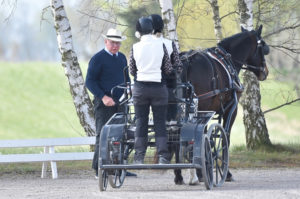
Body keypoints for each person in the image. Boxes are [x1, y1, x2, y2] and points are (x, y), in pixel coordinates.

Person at [85, 28, 136, 178]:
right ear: (106, 42)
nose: (115, 46)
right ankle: (98, 169)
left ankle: (119, 167)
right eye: (113, 43)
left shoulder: (121, 58)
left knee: (122, 135)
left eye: (118, 43)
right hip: (104, 103)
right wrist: (103, 97)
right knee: (103, 134)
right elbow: (90, 81)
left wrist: (130, 88)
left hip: (121, 102)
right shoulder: (97, 59)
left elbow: (126, 78)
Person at [129, 17, 173, 164]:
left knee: (141, 121)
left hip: (140, 89)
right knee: (159, 122)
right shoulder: (161, 45)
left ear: (138, 32)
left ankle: (139, 157)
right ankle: (162, 156)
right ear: (152, 29)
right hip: (159, 89)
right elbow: (167, 69)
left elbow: (132, 70)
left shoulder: (135, 47)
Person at [149, 14, 185, 184]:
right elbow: (177, 67)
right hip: (168, 92)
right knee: (174, 127)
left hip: (146, 92)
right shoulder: (169, 44)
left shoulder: (140, 46)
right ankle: (177, 169)